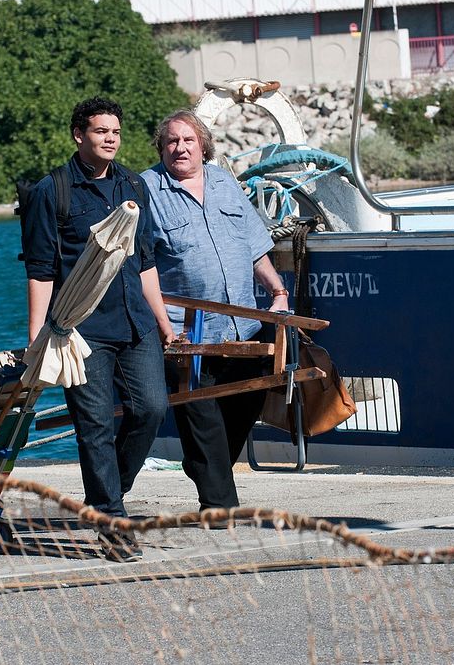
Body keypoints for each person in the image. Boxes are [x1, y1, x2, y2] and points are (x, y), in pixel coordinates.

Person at [22, 97, 174, 562]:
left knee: (151, 408)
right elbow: (40, 269)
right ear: (78, 135)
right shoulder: (54, 191)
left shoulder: (133, 184)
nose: (110, 138)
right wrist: (36, 338)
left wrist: (164, 321)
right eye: (100, 131)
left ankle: (108, 496)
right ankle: (111, 519)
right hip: (80, 329)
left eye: (116, 131)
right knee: (93, 427)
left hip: (135, 322)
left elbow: (145, 261)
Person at [142, 110, 290, 512]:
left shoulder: (224, 182)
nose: (180, 148)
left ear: (203, 145)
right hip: (185, 330)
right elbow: (142, 265)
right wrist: (160, 324)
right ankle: (220, 506)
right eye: (171, 141)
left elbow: (255, 246)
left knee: (246, 401)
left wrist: (277, 291)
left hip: (242, 324)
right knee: (202, 416)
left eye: (188, 140)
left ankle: (204, 465)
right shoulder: (146, 189)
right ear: (161, 147)